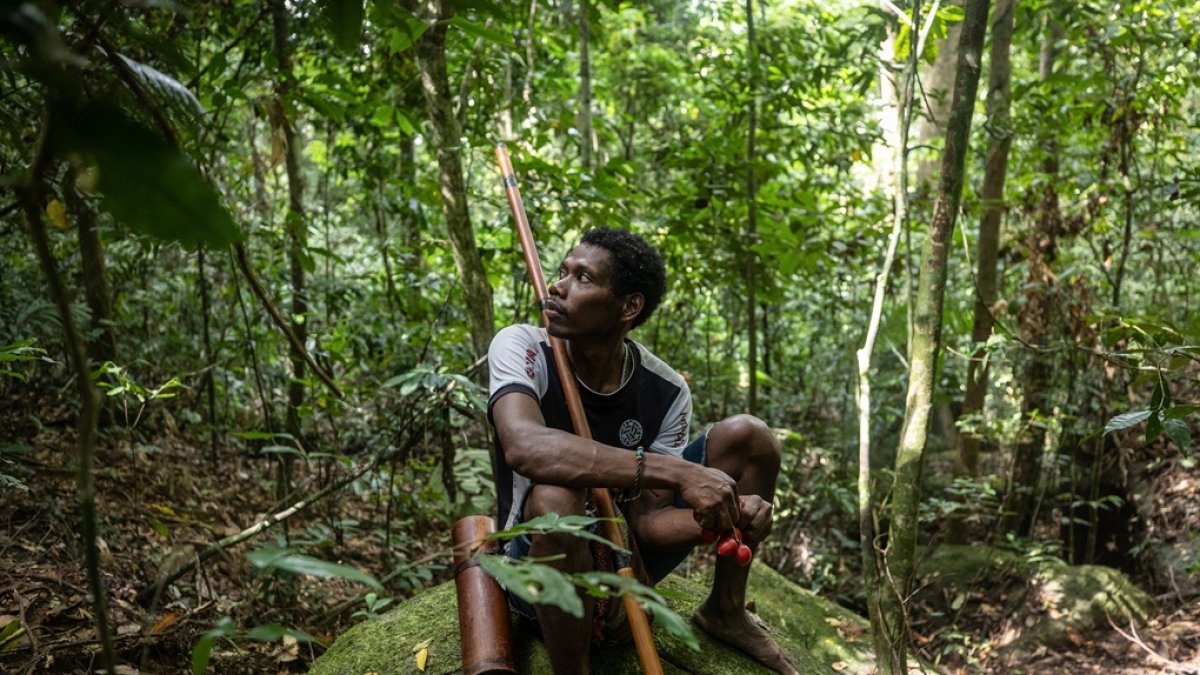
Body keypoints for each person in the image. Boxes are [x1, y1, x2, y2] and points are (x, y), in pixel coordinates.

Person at [487, 227, 798, 675]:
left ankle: (726, 610)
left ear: (628, 307)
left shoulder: (665, 389)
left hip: (628, 549)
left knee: (750, 435)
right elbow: (524, 447)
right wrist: (675, 473)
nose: (558, 286)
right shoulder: (523, 346)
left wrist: (725, 515)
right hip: (537, 561)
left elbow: (648, 525)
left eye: (583, 278)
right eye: (562, 272)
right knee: (556, 497)